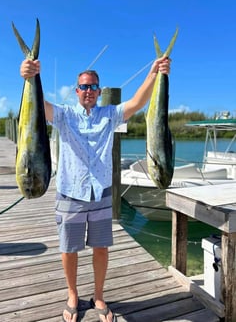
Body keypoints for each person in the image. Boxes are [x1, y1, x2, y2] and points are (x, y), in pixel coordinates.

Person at [20, 55, 170, 322]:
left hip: (100, 192)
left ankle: (99, 296)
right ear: (76, 91)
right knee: (69, 248)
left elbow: (137, 103)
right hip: (70, 191)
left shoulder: (109, 115)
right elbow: (39, 107)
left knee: (101, 248)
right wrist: (29, 75)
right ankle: (72, 294)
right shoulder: (64, 115)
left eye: (93, 87)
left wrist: (154, 73)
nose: (88, 91)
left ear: (99, 92)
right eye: (84, 87)